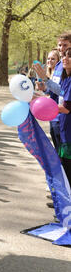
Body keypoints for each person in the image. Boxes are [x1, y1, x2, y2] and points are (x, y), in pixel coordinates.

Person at [33, 31, 71, 152]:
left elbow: (64, 91)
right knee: (59, 155)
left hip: (64, 117)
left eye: (65, 45)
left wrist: (46, 79)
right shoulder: (60, 65)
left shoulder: (67, 66)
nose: (61, 48)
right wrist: (44, 89)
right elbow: (55, 89)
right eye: (59, 45)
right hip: (54, 116)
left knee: (65, 157)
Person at [57, 47, 71, 188]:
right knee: (64, 165)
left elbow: (66, 108)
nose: (65, 58)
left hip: (69, 134)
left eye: (69, 56)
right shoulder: (65, 79)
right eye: (64, 55)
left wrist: (46, 107)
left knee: (68, 167)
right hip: (63, 130)